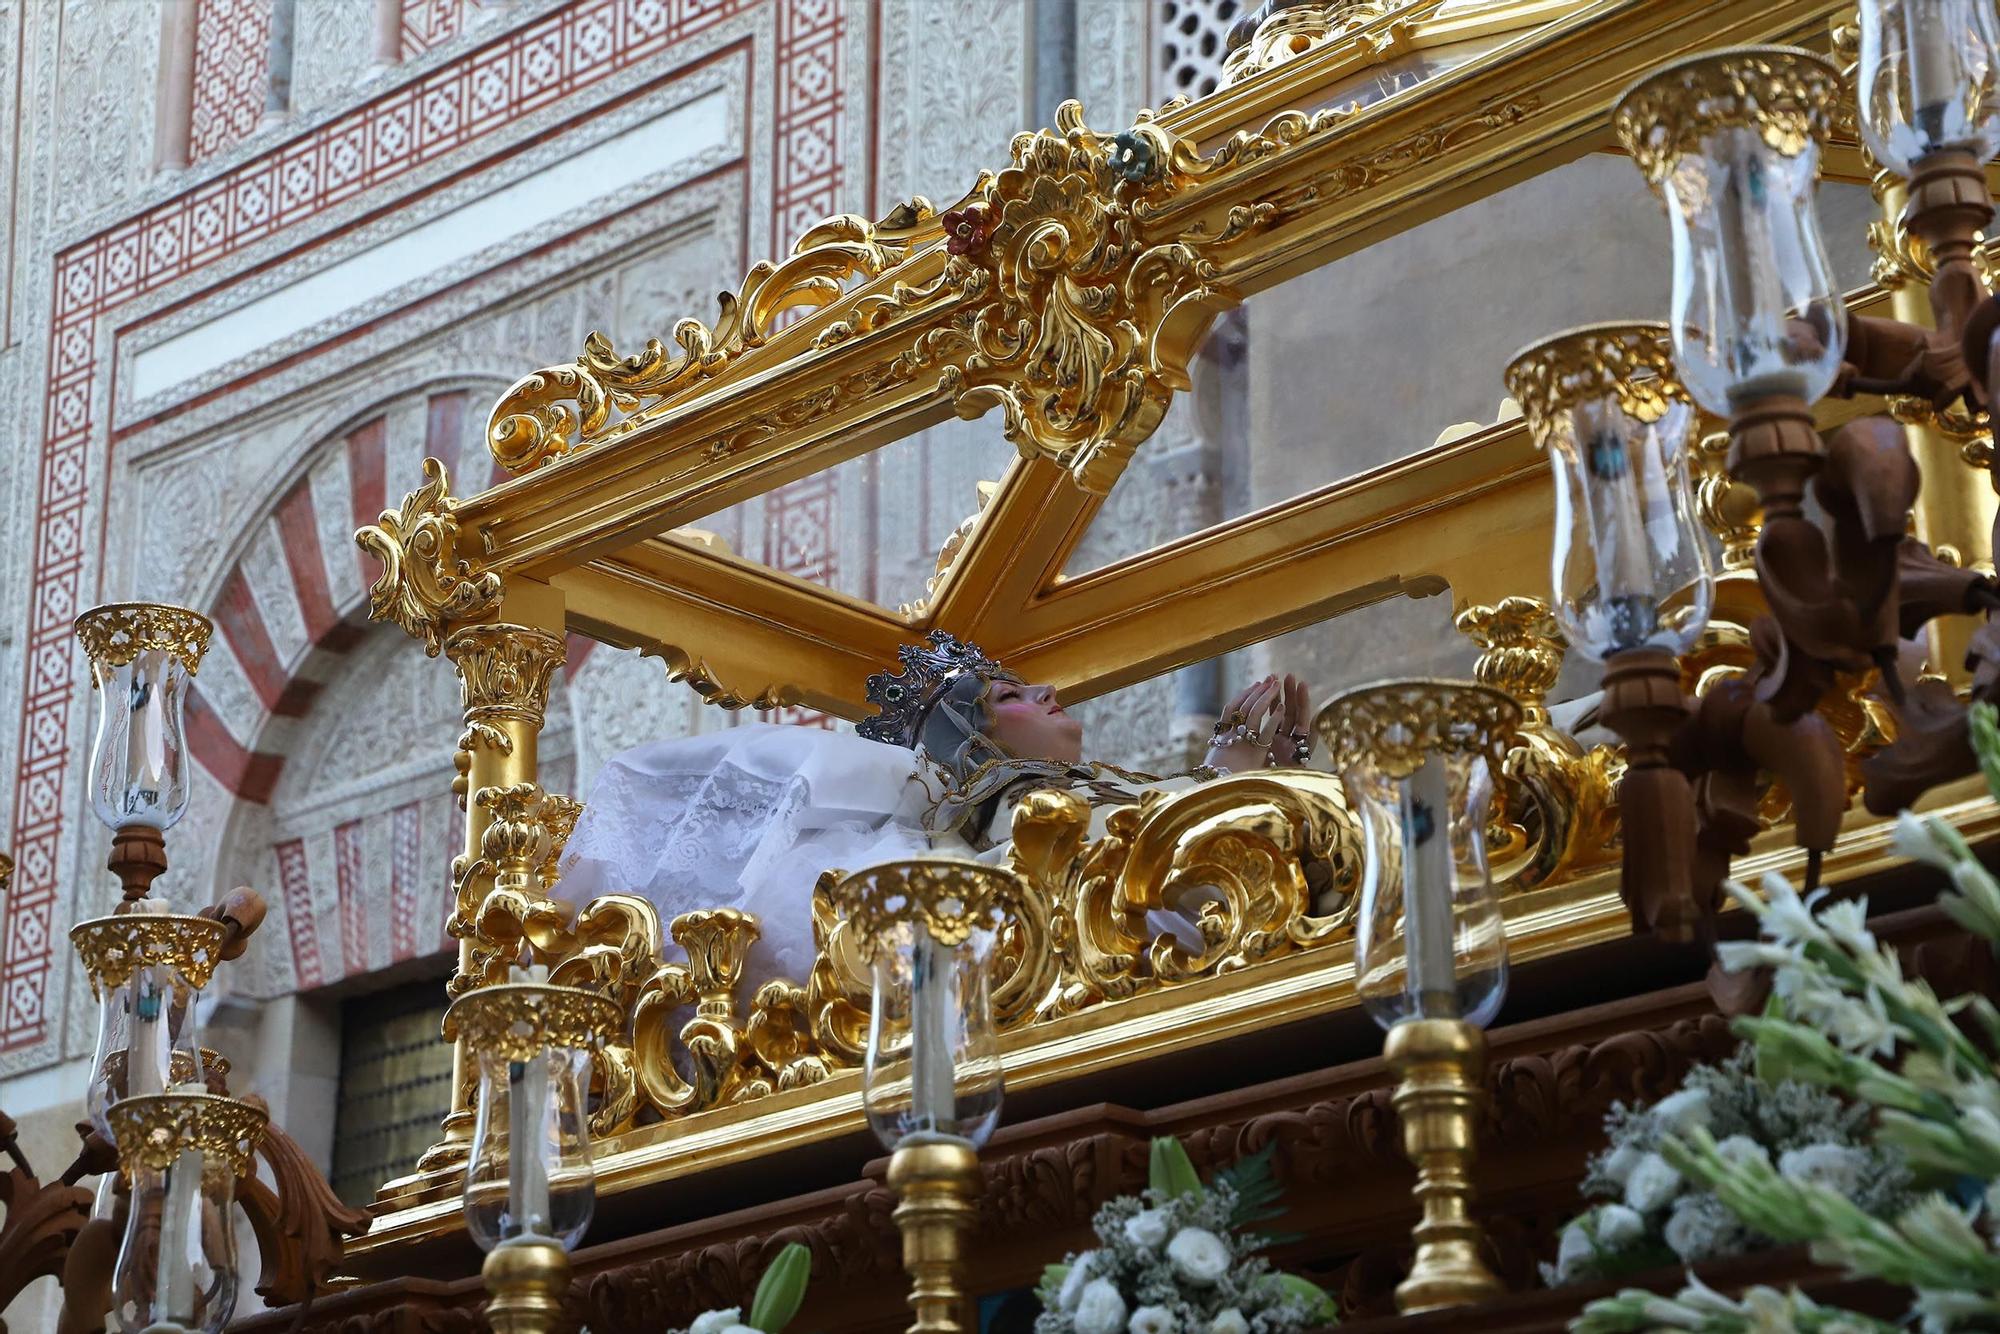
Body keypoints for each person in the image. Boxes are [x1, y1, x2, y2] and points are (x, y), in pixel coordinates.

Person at [554, 631, 1314, 990]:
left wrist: (1256, 773)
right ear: (976, 743)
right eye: (1013, 696)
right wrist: (1231, 780)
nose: (1049, 693)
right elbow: (1106, 879)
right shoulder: (1004, 806)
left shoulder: (1094, 782)